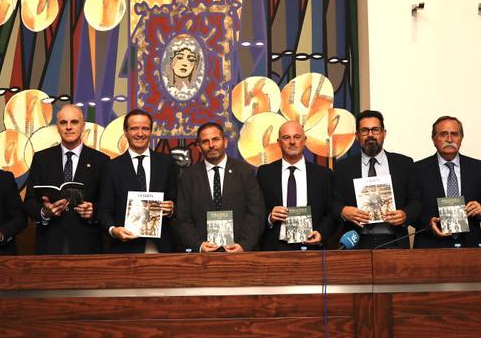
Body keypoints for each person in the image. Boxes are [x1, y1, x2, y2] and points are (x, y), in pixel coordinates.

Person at [22, 104, 109, 254]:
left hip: (87, 244)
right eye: (63, 122)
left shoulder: (101, 161)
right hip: (50, 243)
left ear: (82, 126)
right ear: (57, 127)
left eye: (74, 122)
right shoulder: (41, 159)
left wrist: (93, 212)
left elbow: (108, 203)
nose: (68, 127)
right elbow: (29, 201)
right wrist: (44, 212)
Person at [332, 110, 421, 249]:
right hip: (356, 241)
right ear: (357, 136)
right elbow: (334, 202)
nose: (370, 135)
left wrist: (405, 214)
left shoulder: (404, 164)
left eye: (375, 130)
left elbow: (416, 200)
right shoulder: (343, 167)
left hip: (394, 240)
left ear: (384, 133)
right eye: (364, 130)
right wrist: (343, 211)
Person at [174, 122, 266, 252]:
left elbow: (256, 213)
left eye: (215, 139)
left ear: (225, 142)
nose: (211, 145)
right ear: (199, 147)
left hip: (239, 253)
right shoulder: (188, 176)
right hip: (202, 257)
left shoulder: (245, 172)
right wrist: (199, 246)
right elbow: (182, 218)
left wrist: (243, 246)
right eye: (205, 142)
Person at [97, 108, 178, 253]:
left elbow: (179, 203)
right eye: (134, 128)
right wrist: (113, 230)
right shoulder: (111, 167)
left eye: (145, 128)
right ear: (125, 132)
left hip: (161, 247)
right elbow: (104, 210)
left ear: (151, 131)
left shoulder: (167, 164)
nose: (140, 134)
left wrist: (172, 209)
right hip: (125, 248)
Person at [413, 116, 481, 248]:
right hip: (430, 246)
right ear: (434, 139)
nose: (450, 139)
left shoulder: (478, 167)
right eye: (443, 134)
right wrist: (428, 224)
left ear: (461, 138)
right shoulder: (417, 169)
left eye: (455, 134)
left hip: (470, 246)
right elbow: (411, 206)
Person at [256, 120, 336, 250]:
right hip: (275, 248)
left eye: (297, 137)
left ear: (305, 140)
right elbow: (256, 210)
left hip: (311, 246)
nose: (292, 142)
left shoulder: (323, 174)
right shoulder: (265, 173)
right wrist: (270, 217)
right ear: (279, 143)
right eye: (286, 137)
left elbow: (332, 211)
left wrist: (322, 233)